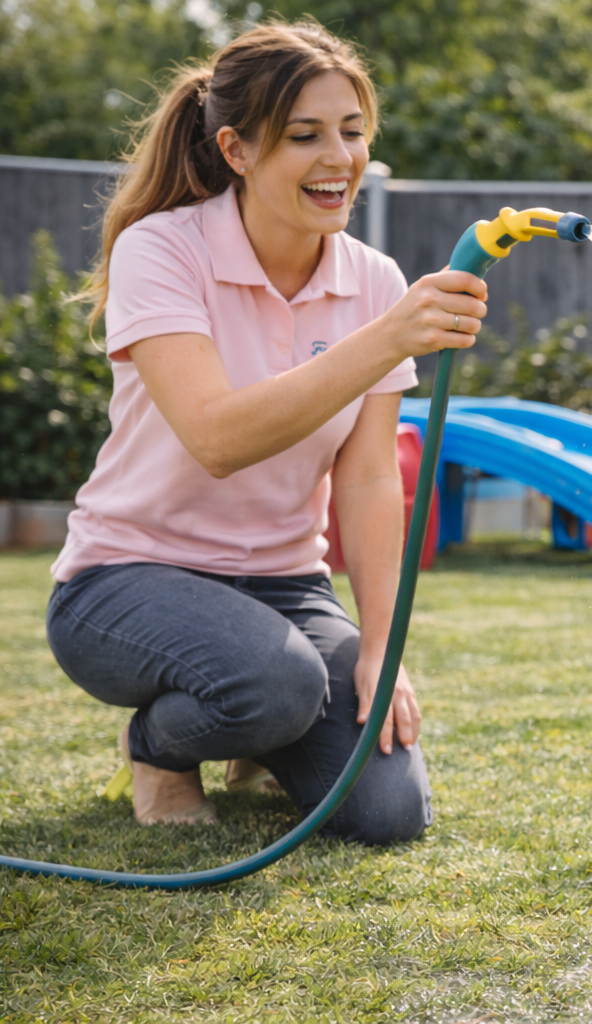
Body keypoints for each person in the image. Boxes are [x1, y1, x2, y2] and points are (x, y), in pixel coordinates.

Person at [44, 19, 487, 843]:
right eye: (305, 136)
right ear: (238, 150)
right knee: (274, 684)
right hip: (127, 578)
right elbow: (216, 438)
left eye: (353, 133)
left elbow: (365, 478)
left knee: (389, 813)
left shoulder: (373, 280)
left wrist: (380, 652)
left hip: (286, 589)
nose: (339, 159)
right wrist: (386, 338)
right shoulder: (163, 251)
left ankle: (259, 724)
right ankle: (159, 745)